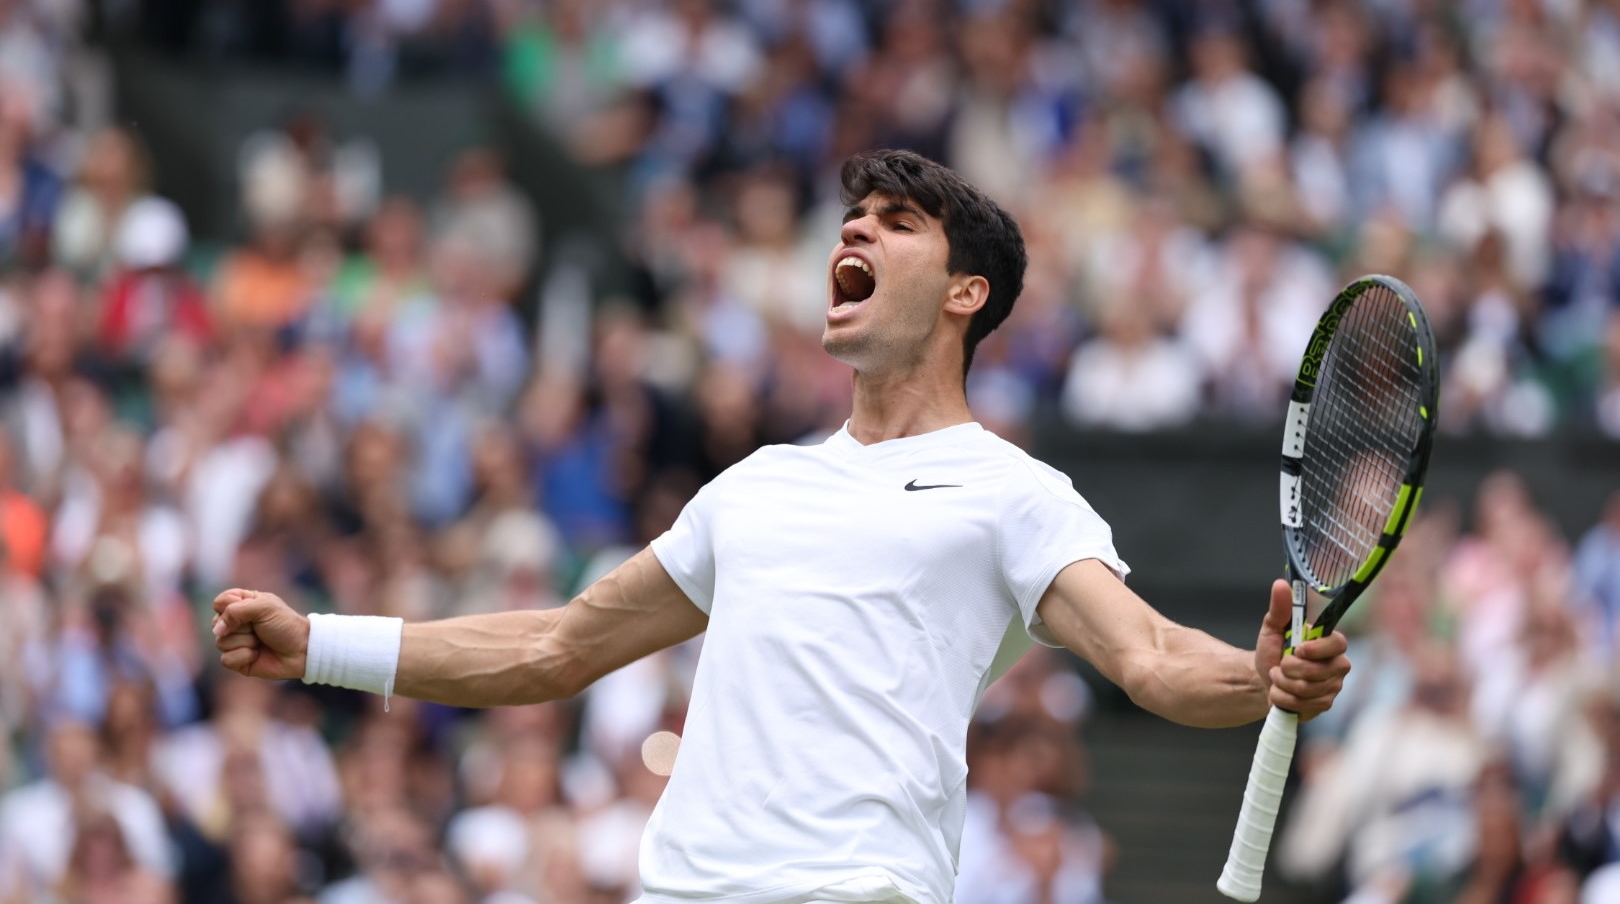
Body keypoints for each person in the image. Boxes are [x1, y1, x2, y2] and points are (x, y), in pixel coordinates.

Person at [210, 150, 1352, 904]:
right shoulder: (753, 486)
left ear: (965, 294)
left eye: (895, 224)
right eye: (851, 218)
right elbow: (557, 646)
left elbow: (1145, 652)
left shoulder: (1015, 491)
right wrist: (320, 644)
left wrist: (1259, 678)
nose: (852, 232)